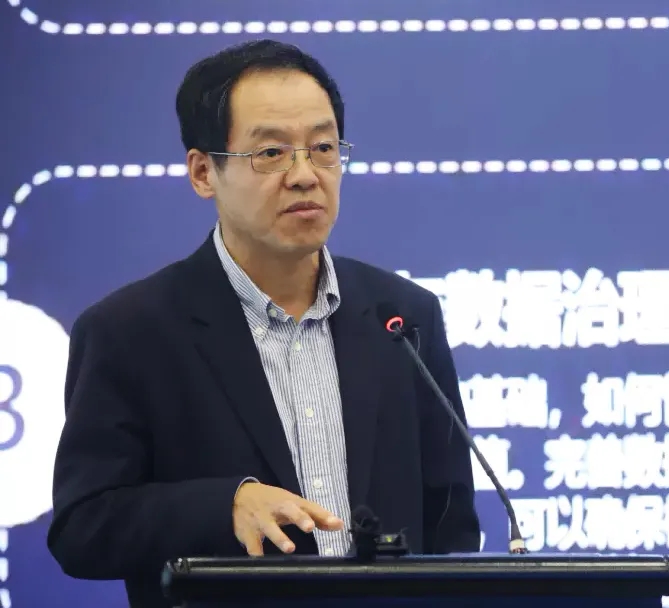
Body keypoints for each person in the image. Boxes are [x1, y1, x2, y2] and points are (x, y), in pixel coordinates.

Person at [46, 39, 481, 608]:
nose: (305, 175)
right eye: (271, 153)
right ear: (204, 172)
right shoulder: (130, 332)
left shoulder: (403, 318)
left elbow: (450, 522)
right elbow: (83, 526)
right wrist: (224, 505)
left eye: (323, 148)